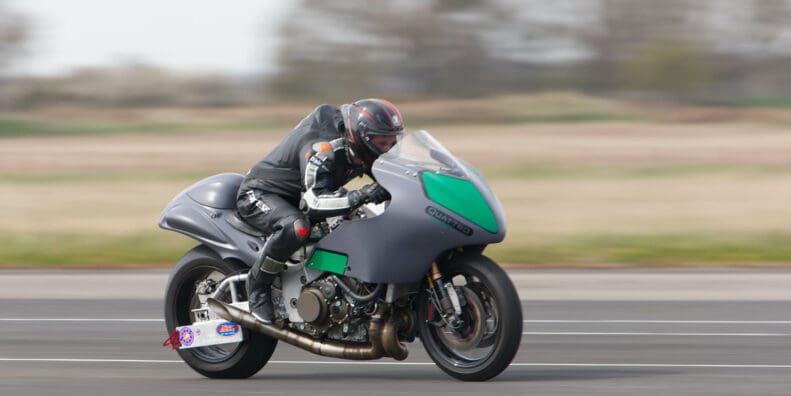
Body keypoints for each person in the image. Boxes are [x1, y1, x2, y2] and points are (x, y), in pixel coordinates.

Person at [237, 98, 404, 323]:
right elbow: (313, 203)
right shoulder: (322, 147)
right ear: (361, 136)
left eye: (392, 142)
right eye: (382, 143)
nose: (388, 149)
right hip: (262, 194)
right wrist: (361, 194)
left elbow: (398, 180)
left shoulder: (366, 148)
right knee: (297, 227)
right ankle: (257, 287)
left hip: (305, 193)